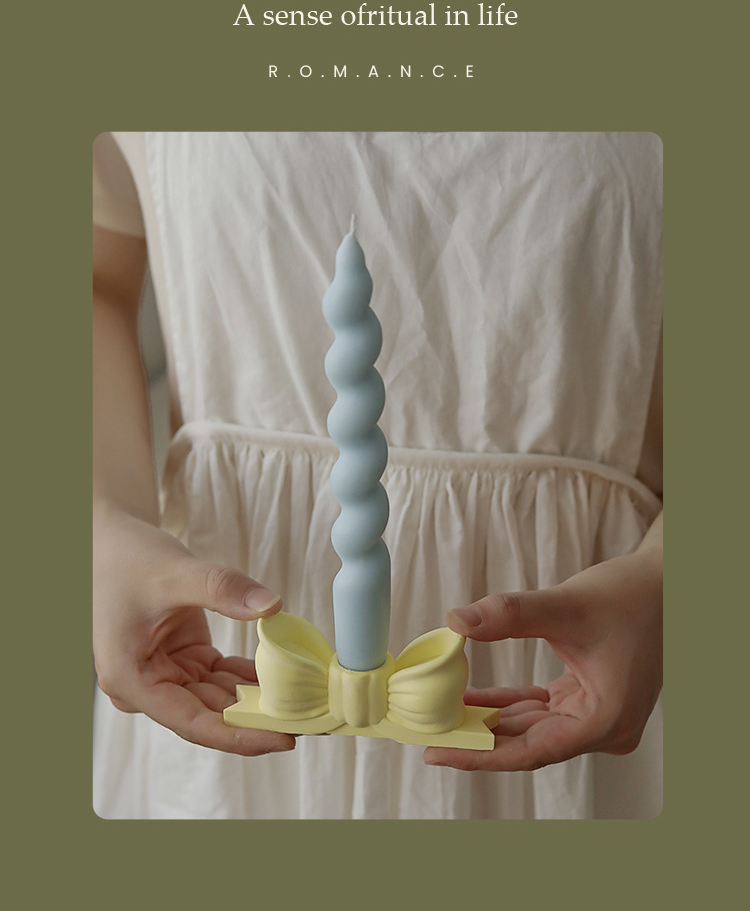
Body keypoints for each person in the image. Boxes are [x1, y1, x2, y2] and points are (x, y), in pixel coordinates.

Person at [93, 131, 662, 819]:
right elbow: (96, 279)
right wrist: (104, 524)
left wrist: (665, 575)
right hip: (215, 657)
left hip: (589, 654)